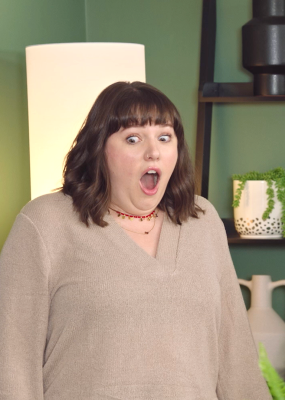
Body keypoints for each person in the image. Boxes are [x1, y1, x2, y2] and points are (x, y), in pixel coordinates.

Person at [0, 81, 271, 399]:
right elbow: (13, 360)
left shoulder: (203, 220)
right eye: (133, 138)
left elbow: (235, 354)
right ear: (100, 149)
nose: (153, 151)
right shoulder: (44, 222)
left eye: (164, 137)